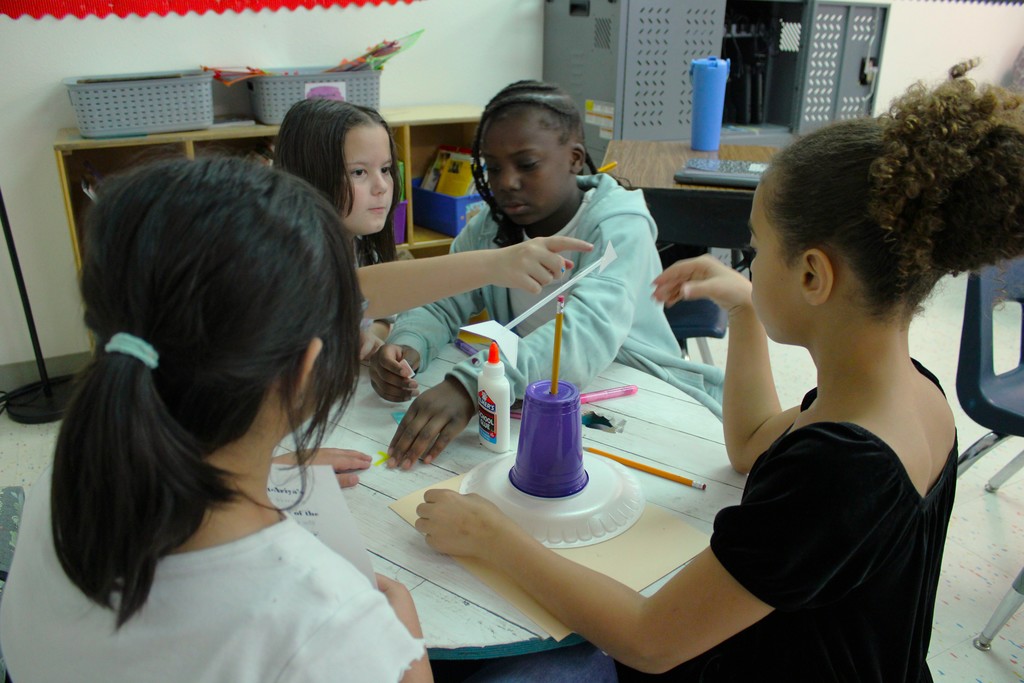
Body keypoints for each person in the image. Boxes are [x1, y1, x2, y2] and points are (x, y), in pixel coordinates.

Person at [414, 62, 1024, 681]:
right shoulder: (912, 393)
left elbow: (649, 639)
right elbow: (753, 444)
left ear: (813, 275)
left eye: (756, 249)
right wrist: (746, 310)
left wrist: (494, 537)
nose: (749, 267)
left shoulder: (839, 467)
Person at [0, 156, 432, 682]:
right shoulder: (330, 622)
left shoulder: (66, 484)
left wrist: (258, 461)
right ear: (303, 369)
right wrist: (407, 655)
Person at [370, 80, 724, 469]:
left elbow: (583, 333)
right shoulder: (488, 228)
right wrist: (408, 345)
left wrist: (469, 385)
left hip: (637, 390)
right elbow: (441, 304)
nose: (506, 182)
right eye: (492, 168)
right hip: (537, 390)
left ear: (574, 158)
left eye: (527, 165)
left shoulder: (620, 227)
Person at [273, 97, 592, 487]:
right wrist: (494, 264)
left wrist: (375, 338)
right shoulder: (283, 258)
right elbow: (353, 290)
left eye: (387, 170)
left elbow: (374, 305)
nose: (381, 187)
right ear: (308, 178)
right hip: (270, 442)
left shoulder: (357, 243)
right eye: (359, 172)